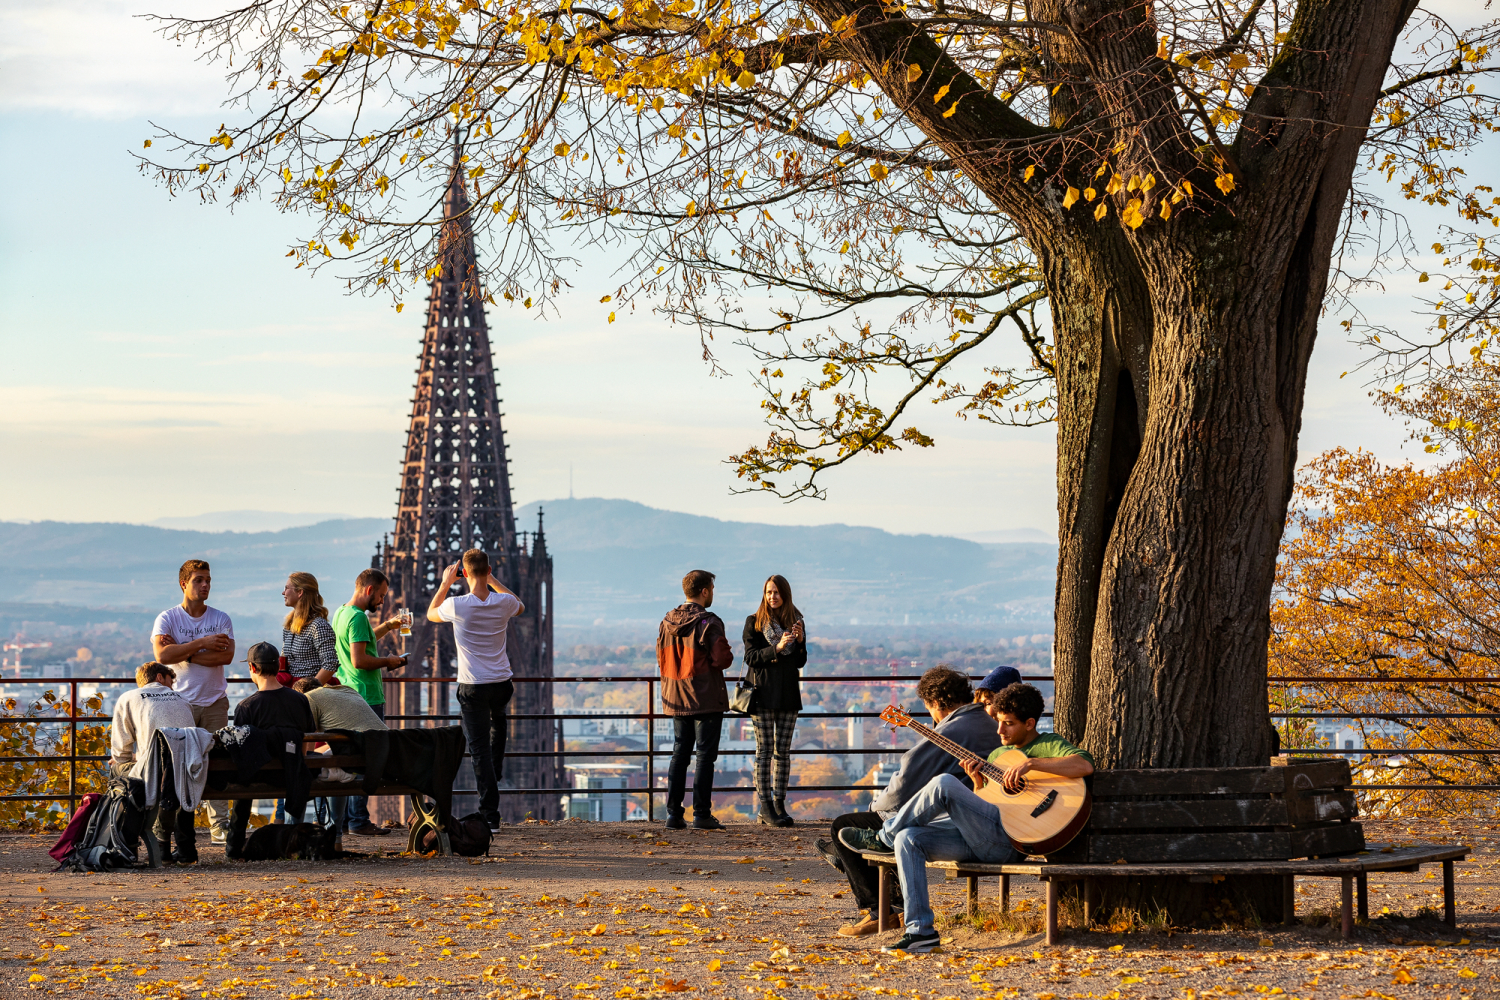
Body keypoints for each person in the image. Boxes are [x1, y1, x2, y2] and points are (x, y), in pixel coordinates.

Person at [839, 682, 1095, 954]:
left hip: (1010, 843)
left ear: (1030, 723)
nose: (999, 730)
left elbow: (1084, 765)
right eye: (998, 722)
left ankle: (882, 837)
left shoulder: (1048, 745)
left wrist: (1030, 764)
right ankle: (920, 932)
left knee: (944, 783)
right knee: (908, 838)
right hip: (981, 836)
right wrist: (977, 782)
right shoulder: (999, 754)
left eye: (1008, 724)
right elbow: (994, 802)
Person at [818, 665, 1003, 938]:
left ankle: (882, 911)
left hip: (959, 824)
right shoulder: (988, 723)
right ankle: (891, 901)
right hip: (987, 815)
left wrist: (876, 809)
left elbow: (906, 778)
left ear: (937, 703)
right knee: (892, 832)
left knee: (844, 826)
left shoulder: (952, 730)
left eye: (928, 707)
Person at [427, 549, 524, 832]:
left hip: (473, 687)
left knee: (479, 750)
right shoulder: (504, 602)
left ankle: (490, 815)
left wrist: (445, 583)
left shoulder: (457, 605)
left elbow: (432, 614)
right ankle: (493, 785)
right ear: (489, 569)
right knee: (497, 736)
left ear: (464, 573)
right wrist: (492, 580)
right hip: (501, 684)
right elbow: (520, 604)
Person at [152, 559, 235, 845]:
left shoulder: (221, 618)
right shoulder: (168, 618)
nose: (205, 585)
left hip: (215, 701)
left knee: (217, 761)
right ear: (183, 583)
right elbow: (162, 656)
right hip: (180, 702)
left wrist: (183, 651)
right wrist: (202, 644)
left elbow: (224, 657)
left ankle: (219, 825)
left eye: (208, 580)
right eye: (199, 580)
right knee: (177, 763)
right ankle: (172, 824)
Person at [331, 568, 409, 837]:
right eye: (382, 596)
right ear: (369, 590)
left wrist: (387, 626)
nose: (382, 602)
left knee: (353, 758)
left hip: (349, 692)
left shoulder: (343, 613)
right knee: (368, 758)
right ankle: (358, 820)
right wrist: (389, 661)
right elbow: (359, 660)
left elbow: (360, 643)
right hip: (366, 695)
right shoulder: (359, 618)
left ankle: (346, 820)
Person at [225, 642, 318, 860]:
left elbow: (241, 752)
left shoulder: (246, 707)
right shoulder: (300, 700)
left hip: (261, 776)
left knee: (243, 783)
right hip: (293, 774)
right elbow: (307, 742)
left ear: (252, 668)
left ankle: (234, 847)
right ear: (278, 667)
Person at [657, 569, 733, 831]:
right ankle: (701, 814)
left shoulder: (667, 621)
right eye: (712, 588)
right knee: (704, 757)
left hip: (676, 696)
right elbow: (723, 659)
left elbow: (661, 657)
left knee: (679, 754)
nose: (713, 592)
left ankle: (673, 815)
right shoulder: (709, 622)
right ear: (704, 591)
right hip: (704, 697)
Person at [109, 662, 198, 862]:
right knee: (174, 776)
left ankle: (125, 840)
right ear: (159, 677)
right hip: (186, 772)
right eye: (171, 681)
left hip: (153, 773)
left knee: (116, 771)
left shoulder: (128, 698)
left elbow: (121, 748)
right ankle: (182, 848)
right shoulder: (183, 699)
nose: (172, 686)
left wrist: (124, 761)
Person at [741, 575, 806, 828]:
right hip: (763, 694)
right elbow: (750, 657)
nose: (772, 597)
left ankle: (780, 804)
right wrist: (777, 648)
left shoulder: (796, 621)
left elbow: (800, 662)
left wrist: (799, 642)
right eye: (769, 592)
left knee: (783, 753)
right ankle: (765, 807)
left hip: (789, 694)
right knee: (764, 752)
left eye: (777, 592)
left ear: (786, 594)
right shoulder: (754, 623)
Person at [294, 675, 388, 850]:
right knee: (334, 766)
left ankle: (296, 837)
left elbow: (306, 745)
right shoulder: (345, 690)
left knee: (319, 774)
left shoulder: (308, 699)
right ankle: (335, 839)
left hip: (360, 760)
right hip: (386, 753)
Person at [280, 572, 340, 682]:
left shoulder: (318, 626)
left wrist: (311, 689)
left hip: (312, 692)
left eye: (286, 588)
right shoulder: (289, 625)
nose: (283, 592)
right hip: (292, 689)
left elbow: (331, 663)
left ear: (299, 592)